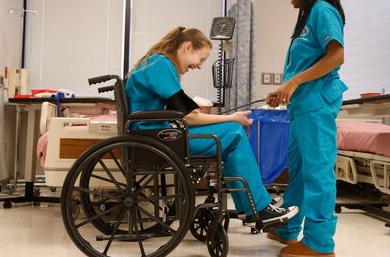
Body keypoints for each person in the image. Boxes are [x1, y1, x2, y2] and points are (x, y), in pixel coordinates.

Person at [125, 26, 298, 225]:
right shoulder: (161, 64)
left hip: (155, 133)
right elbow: (190, 117)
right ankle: (256, 207)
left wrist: (208, 115)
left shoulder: (156, 62)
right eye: (202, 59)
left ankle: (253, 207)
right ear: (188, 47)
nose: (200, 66)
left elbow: (184, 110)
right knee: (234, 132)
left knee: (232, 135)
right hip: (156, 138)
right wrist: (232, 117)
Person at [265, 0, 348, 257]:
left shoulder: (323, 10)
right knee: (298, 170)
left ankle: (320, 241)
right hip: (301, 105)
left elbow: (336, 55)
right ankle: (289, 227)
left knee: (317, 170)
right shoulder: (307, 17)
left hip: (316, 104)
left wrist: (294, 83)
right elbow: (303, 65)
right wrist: (285, 88)